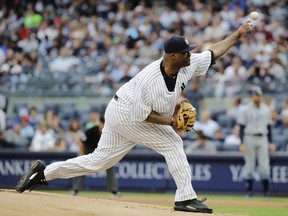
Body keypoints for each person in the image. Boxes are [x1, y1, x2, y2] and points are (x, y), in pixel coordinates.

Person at [16, 21, 254, 213]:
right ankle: (185, 198)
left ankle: (43, 173)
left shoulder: (186, 65)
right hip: (127, 114)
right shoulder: (150, 80)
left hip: (121, 110)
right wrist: (172, 122)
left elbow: (214, 53)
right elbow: (143, 116)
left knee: (100, 162)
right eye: (185, 52)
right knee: (173, 142)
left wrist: (237, 34)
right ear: (172, 55)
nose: (190, 54)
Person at [237, 87, 276, 198]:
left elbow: (269, 126)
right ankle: (249, 191)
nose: (257, 97)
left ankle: (267, 192)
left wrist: (271, 142)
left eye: (259, 95)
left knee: (264, 166)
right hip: (249, 137)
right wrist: (241, 143)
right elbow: (241, 126)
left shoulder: (266, 109)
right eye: (255, 95)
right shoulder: (245, 109)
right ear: (252, 96)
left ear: (261, 96)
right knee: (249, 165)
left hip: (263, 137)